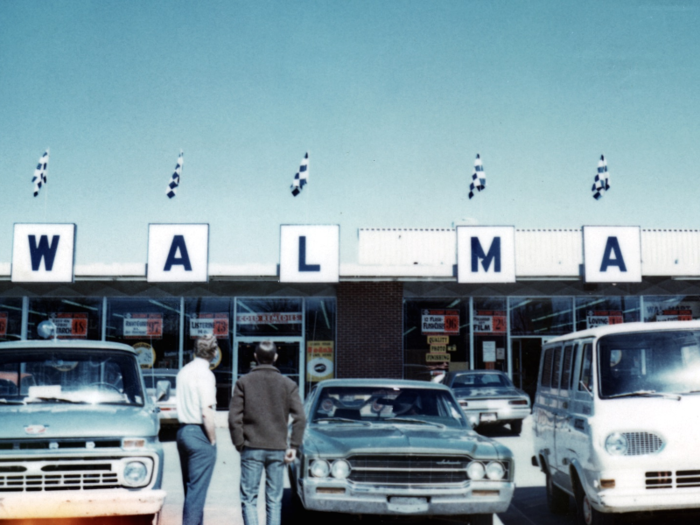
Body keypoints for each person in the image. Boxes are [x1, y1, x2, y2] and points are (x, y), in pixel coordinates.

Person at [229, 340, 306, 525]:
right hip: (277, 448)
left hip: (251, 447)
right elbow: (301, 418)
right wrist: (293, 446)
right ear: (276, 357)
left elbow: (234, 418)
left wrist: (240, 443)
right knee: (274, 501)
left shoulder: (243, 382)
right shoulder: (288, 384)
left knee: (249, 499)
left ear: (255, 357)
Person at [176, 335, 219, 525]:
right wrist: (213, 439)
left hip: (183, 431)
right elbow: (206, 411)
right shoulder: (206, 374)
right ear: (214, 352)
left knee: (191, 490)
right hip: (199, 433)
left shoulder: (183, 371)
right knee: (197, 494)